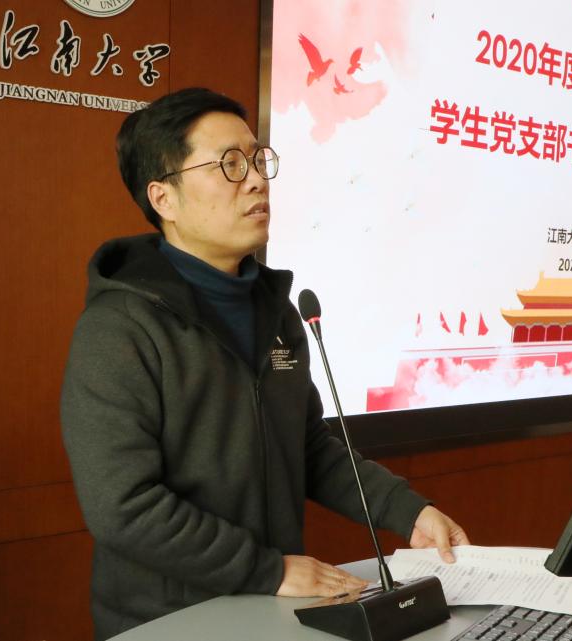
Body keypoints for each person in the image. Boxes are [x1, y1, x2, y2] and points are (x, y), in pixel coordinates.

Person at [60, 87, 469, 639]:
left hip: (269, 609)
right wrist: (267, 569)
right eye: (229, 164)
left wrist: (407, 511)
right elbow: (124, 508)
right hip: (165, 621)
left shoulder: (276, 314)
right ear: (164, 198)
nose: (256, 180)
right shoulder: (119, 329)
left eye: (258, 160)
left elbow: (308, 448)